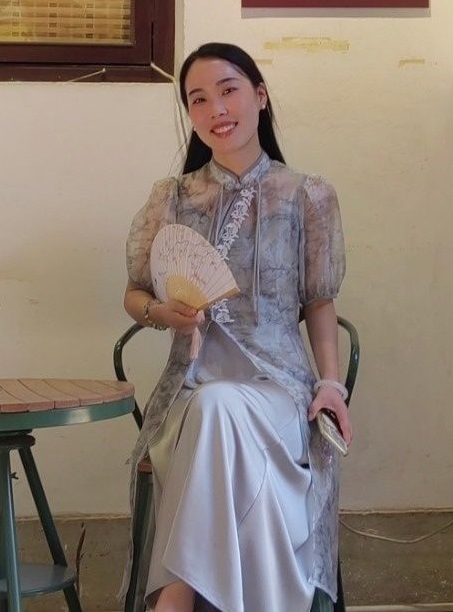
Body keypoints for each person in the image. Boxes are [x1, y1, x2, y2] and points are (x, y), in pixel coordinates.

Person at [121, 42, 352, 612]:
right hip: (188, 388)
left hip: (279, 391)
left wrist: (331, 384)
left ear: (260, 96)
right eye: (198, 99)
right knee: (212, 407)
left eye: (228, 90)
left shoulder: (305, 195)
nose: (216, 110)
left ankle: (175, 600)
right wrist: (160, 313)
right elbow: (135, 293)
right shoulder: (172, 198)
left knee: (221, 408)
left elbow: (320, 302)